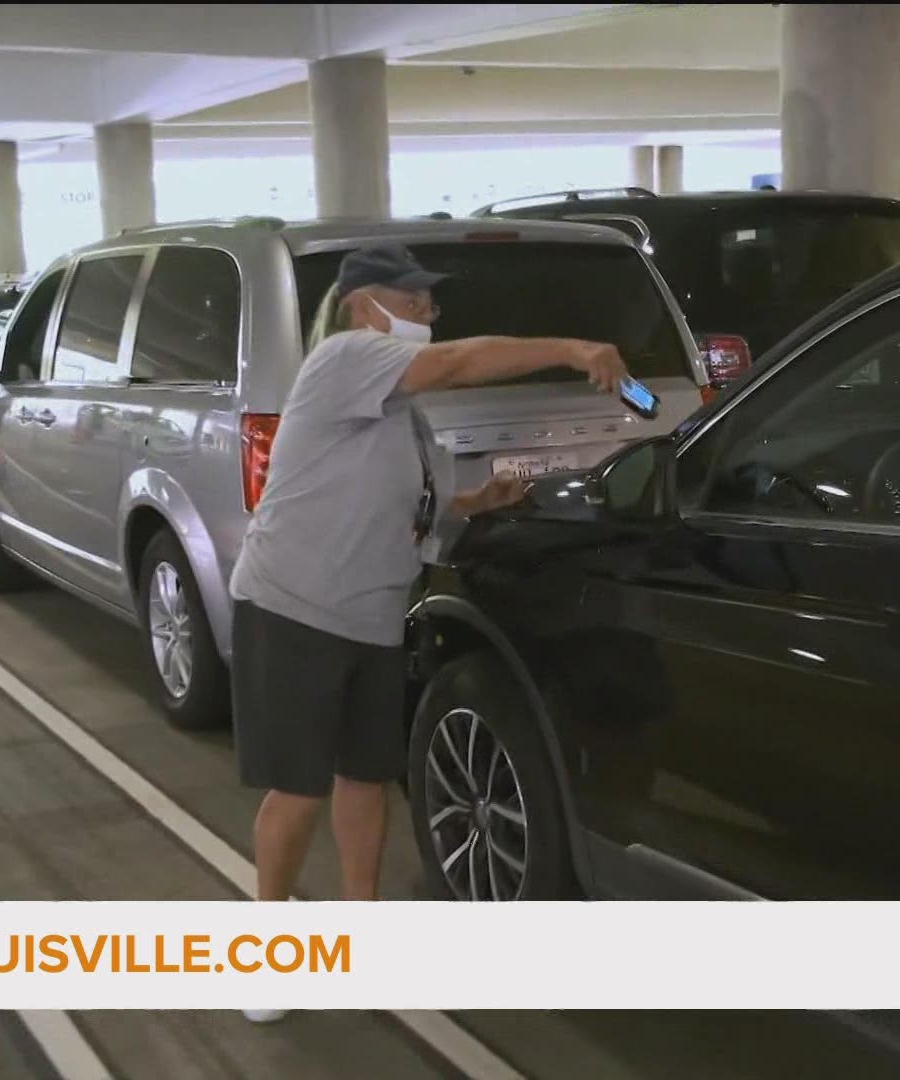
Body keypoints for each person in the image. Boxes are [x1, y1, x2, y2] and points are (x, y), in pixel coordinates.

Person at [228, 242, 628, 1024]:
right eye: (411, 302)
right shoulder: (344, 359)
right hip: (294, 605)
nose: (425, 315)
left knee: (365, 776)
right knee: (300, 785)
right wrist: (573, 349)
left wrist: (484, 500)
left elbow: (425, 519)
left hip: (372, 614)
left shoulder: (407, 418)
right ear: (360, 304)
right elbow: (456, 364)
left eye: (429, 305)